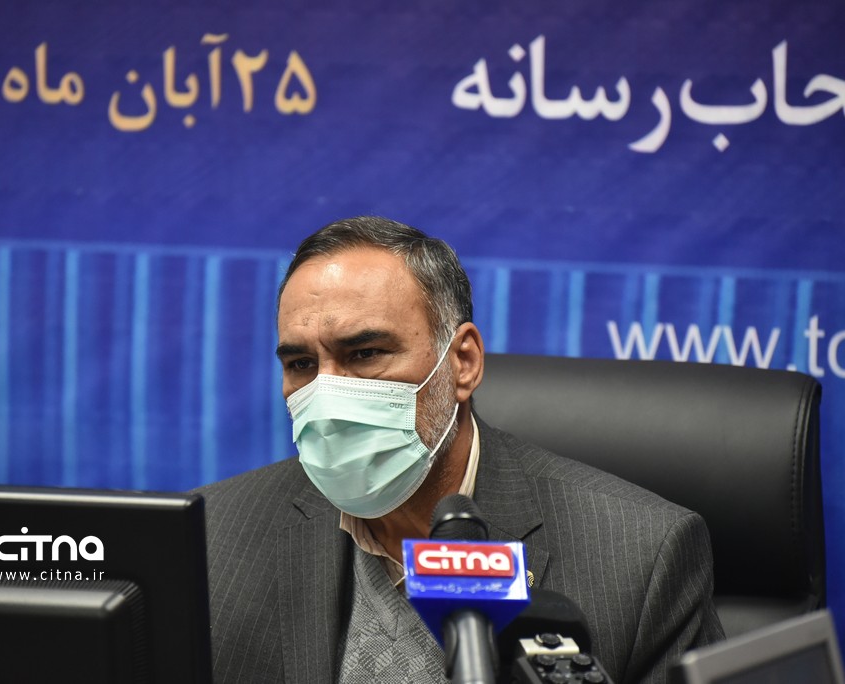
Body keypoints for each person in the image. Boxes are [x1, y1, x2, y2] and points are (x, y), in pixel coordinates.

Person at [195, 216, 724, 684]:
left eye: (366, 353)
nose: (328, 395)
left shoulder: (640, 556)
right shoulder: (211, 539)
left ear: (463, 362)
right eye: (302, 365)